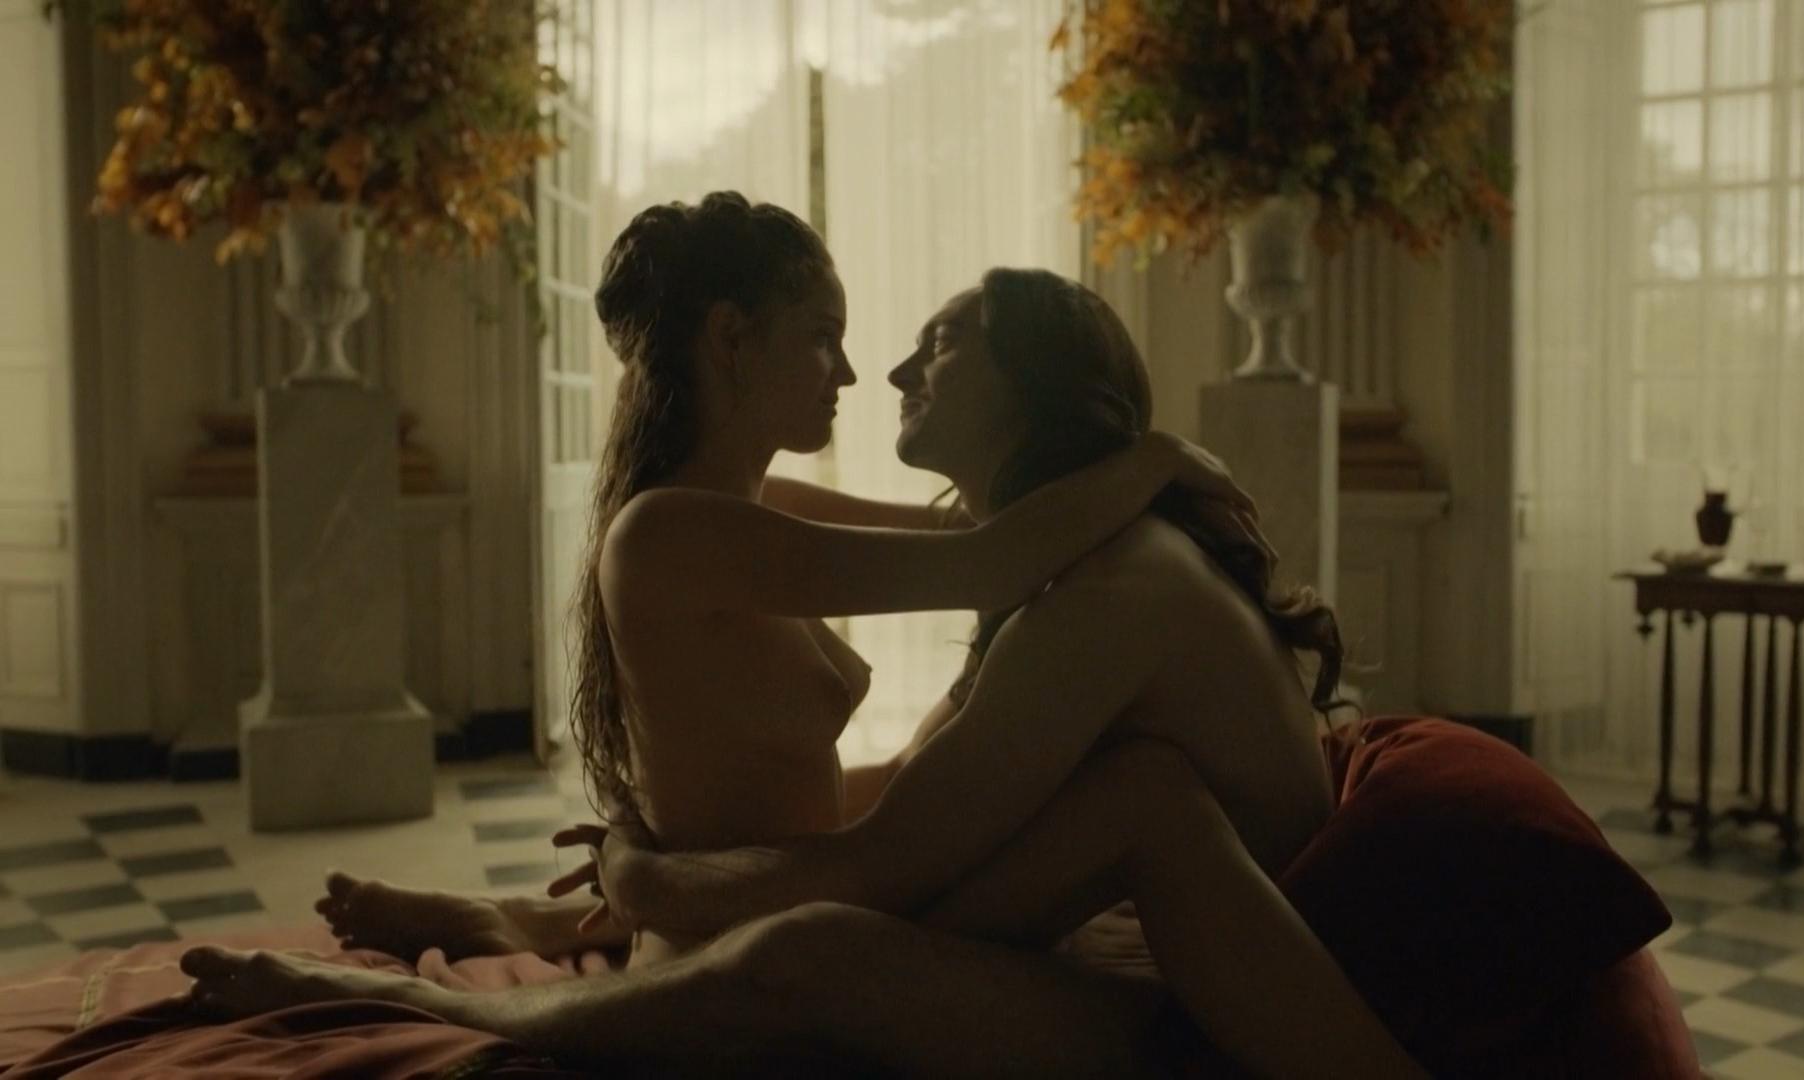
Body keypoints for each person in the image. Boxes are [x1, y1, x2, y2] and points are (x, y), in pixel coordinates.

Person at [185, 253, 1427, 1076]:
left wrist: (651, 879)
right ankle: (541, 923)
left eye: (940, 346)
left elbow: (885, 862)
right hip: (1121, 931)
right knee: (828, 903)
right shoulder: (1065, 574)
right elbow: (919, 793)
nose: (885, 370)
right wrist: (638, 885)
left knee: (809, 947)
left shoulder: (1109, 591)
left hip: (1179, 989)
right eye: (829, 338)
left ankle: (454, 1005)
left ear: (1032, 392)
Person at [296, 192, 1244, 969]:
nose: (850, 372)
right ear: (731, 338)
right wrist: (1157, 458)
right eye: (824, 337)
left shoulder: (757, 506)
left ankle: (526, 922)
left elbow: (972, 528)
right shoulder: (670, 531)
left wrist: (1086, 459)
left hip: (771, 897)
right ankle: (538, 924)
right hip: (741, 943)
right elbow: (986, 564)